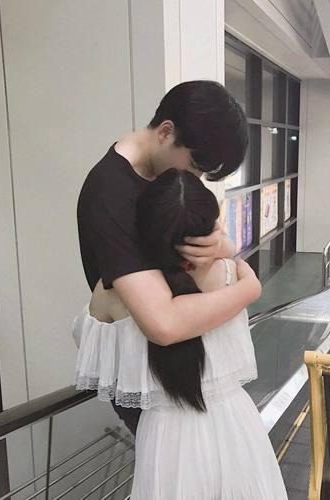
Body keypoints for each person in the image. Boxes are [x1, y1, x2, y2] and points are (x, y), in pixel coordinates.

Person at [73, 169, 287, 499]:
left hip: (166, 437)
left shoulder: (114, 291)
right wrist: (229, 254)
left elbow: (90, 351)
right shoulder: (232, 273)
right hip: (236, 423)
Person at [77, 81, 261, 435]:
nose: (197, 179)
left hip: (191, 372)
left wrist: (222, 246)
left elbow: (218, 236)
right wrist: (249, 289)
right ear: (165, 132)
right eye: (195, 165)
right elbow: (163, 325)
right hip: (154, 390)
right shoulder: (111, 194)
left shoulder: (168, 176)